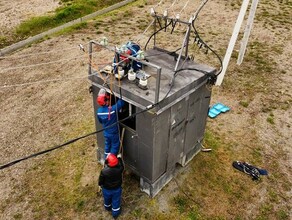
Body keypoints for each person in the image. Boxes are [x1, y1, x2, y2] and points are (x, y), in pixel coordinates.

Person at [97, 89, 125, 159]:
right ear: (106, 102)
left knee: (107, 145)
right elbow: (121, 103)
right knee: (115, 146)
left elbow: (100, 121)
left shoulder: (99, 111)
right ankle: (111, 161)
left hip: (106, 132)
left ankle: (106, 157)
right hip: (114, 133)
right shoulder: (112, 110)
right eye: (108, 100)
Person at [98, 153, 124, 219]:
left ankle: (107, 207)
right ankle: (115, 213)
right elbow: (122, 166)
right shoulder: (119, 169)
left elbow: (101, 180)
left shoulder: (104, 171)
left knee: (107, 199)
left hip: (106, 189)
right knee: (116, 200)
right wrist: (119, 158)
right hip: (117, 189)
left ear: (107, 162)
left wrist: (100, 185)